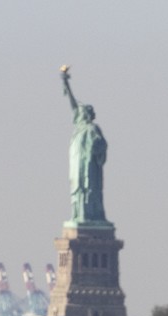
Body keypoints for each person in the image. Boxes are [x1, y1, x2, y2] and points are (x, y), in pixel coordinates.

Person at [61, 68, 108, 224]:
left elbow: (102, 146)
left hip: (89, 167)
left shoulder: (92, 129)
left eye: (81, 112)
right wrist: (66, 84)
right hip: (77, 166)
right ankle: (78, 215)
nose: (78, 113)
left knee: (89, 190)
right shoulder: (78, 128)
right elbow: (73, 104)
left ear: (86, 114)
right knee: (77, 189)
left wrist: (95, 146)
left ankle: (91, 215)